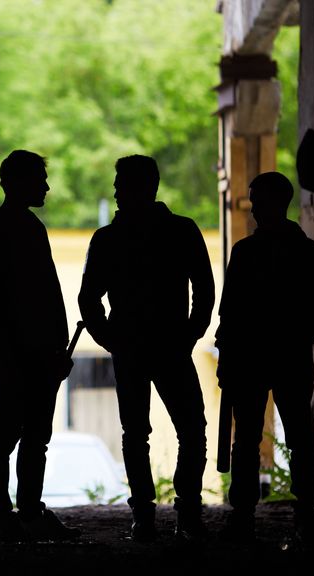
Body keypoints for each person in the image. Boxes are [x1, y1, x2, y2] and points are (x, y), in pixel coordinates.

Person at [77, 154, 214, 542]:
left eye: (122, 184)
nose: (117, 192)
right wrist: (189, 335)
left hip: (133, 348)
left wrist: (110, 339)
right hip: (170, 346)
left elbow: (89, 299)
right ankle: (186, 513)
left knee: (136, 433)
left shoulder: (108, 239)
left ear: (143, 187)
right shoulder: (182, 231)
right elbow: (204, 289)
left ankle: (144, 515)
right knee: (191, 429)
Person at [0, 150, 79, 542]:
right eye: (39, 180)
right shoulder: (14, 231)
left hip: (27, 351)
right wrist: (19, 351)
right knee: (22, 432)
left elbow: (15, 299)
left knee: (19, 430)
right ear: (17, 183)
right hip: (23, 351)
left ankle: (12, 511)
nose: (46, 187)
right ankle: (16, 511)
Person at [216, 171, 314, 542]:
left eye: (256, 201)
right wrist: (294, 341)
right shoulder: (308, 253)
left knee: (249, 440)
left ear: (274, 203)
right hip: (288, 357)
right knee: (295, 437)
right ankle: (305, 514)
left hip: (255, 358)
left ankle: (245, 515)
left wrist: (232, 356)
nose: (252, 209)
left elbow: (229, 315)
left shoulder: (246, 253)